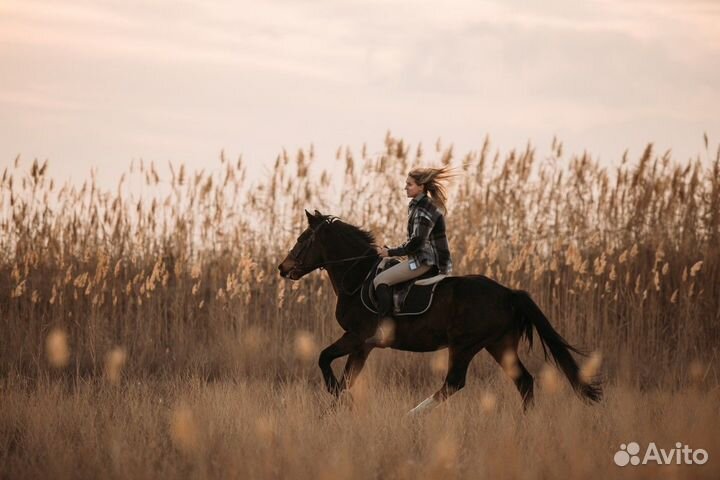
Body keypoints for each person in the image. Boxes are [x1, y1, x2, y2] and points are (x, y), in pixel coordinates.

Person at [367, 166, 455, 348]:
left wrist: (390, 252)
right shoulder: (418, 205)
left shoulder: (424, 208)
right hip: (419, 259)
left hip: (424, 262)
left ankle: (385, 332)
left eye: (409, 184)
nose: (405, 187)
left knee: (380, 281)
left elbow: (416, 242)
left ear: (421, 187)